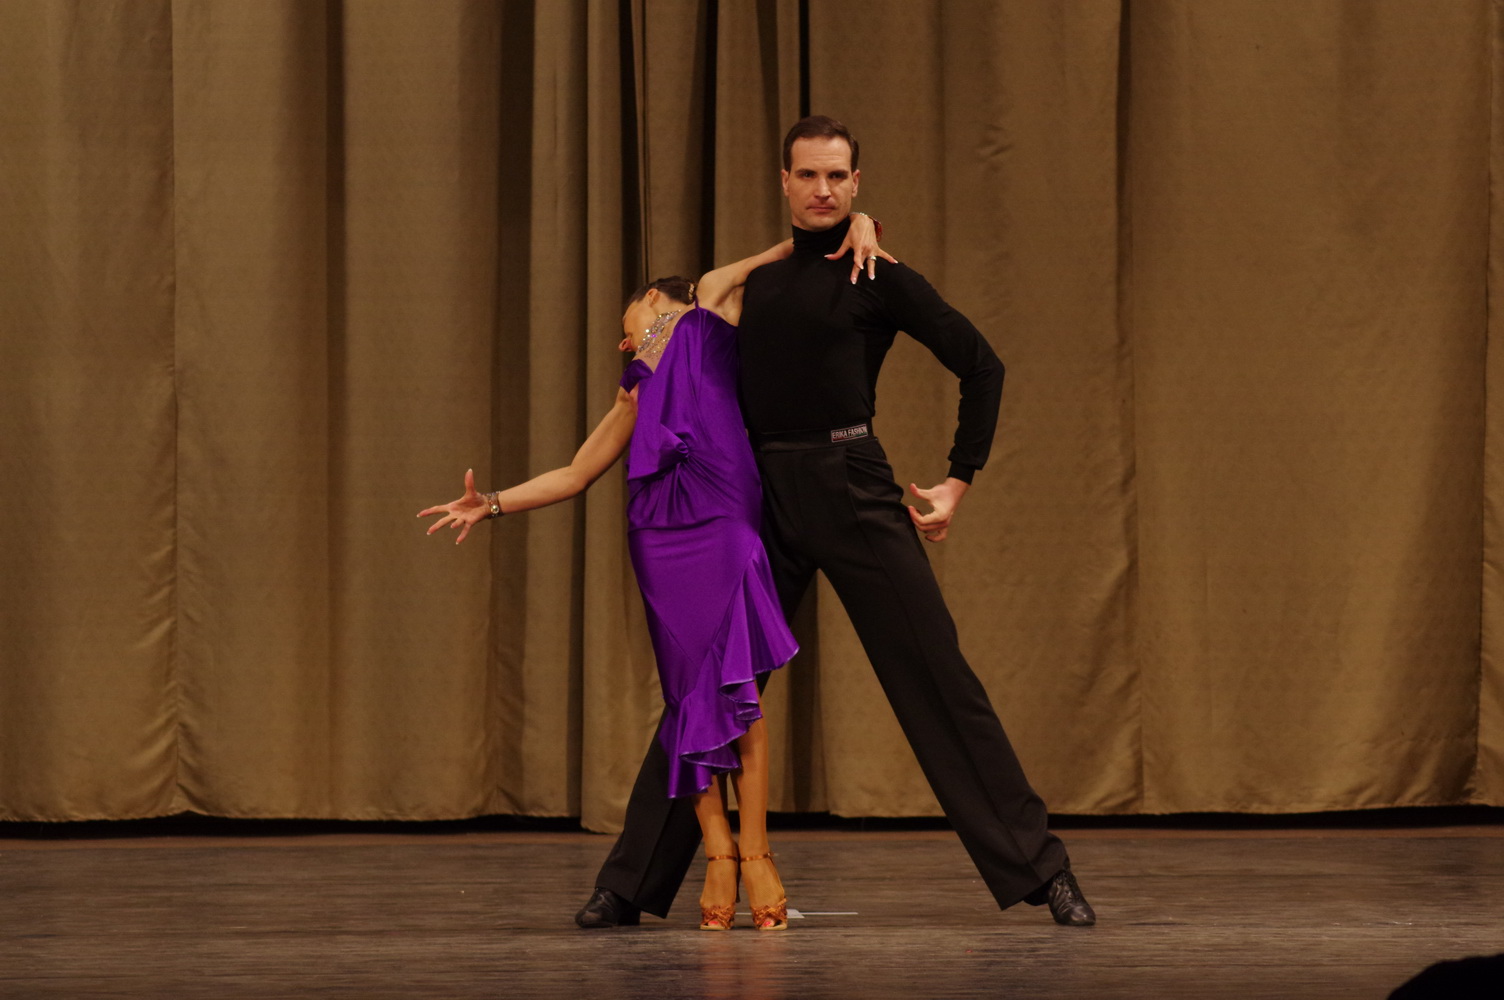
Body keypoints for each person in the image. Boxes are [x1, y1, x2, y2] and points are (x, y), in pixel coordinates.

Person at [576, 115, 1097, 929]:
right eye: (808, 175)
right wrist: (822, 237)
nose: (822, 189)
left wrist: (959, 479)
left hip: (851, 485)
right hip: (760, 497)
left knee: (937, 677)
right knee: (708, 688)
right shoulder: (755, 286)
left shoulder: (878, 275)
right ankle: (628, 884)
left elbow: (982, 365)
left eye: (837, 177)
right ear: (784, 182)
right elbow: (708, 296)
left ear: (856, 183)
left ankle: (1044, 870)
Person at [418, 220, 890, 931]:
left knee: (738, 691)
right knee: (689, 695)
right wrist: (489, 503)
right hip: (659, 542)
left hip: (725, 521)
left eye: (626, 326)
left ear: (655, 301)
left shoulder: (710, 308)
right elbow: (575, 474)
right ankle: (719, 855)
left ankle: (757, 853)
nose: (622, 342)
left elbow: (790, 249)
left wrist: (857, 222)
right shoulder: (633, 391)